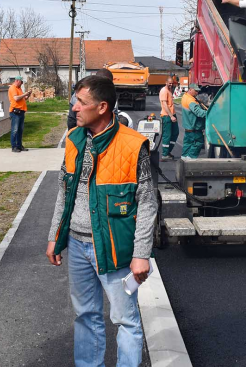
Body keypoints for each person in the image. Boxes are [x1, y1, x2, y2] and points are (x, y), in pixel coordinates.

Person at [46, 75, 157, 367]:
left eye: (81, 102)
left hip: (111, 246)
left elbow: (147, 203)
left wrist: (140, 255)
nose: (74, 107)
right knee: (85, 316)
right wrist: (54, 237)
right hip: (77, 246)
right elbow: (63, 190)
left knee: (126, 320)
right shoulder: (73, 140)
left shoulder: (133, 145)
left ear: (102, 107)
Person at [181, 84, 208, 160]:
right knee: (199, 142)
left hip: (188, 126)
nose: (197, 93)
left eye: (198, 91)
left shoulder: (185, 96)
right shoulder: (190, 100)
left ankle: (183, 159)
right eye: (195, 91)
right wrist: (209, 113)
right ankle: (190, 159)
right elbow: (199, 112)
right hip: (194, 127)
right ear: (190, 89)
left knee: (187, 144)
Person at [8, 77, 32, 152]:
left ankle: (19, 145)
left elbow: (24, 98)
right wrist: (24, 94)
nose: (21, 84)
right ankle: (14, 146)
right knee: (15, 130)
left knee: (20, 130)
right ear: (17, 81)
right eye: (21, 82)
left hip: (21, 111)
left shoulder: (19, 88)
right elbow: (16, 98)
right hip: (15, 112)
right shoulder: (13, 88)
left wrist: (28, 94)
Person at [159, 77, 179, 160]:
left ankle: (168, 151)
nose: (171, 85)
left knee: (175, 133)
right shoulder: (164, 91)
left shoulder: (169, 90)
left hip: (172, 115)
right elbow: (164, 105)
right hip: (167, 116)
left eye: (172, 83)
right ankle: (164, 154)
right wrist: (171, 116)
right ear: (166, 82)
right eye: (169, 83)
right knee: (167, 135)